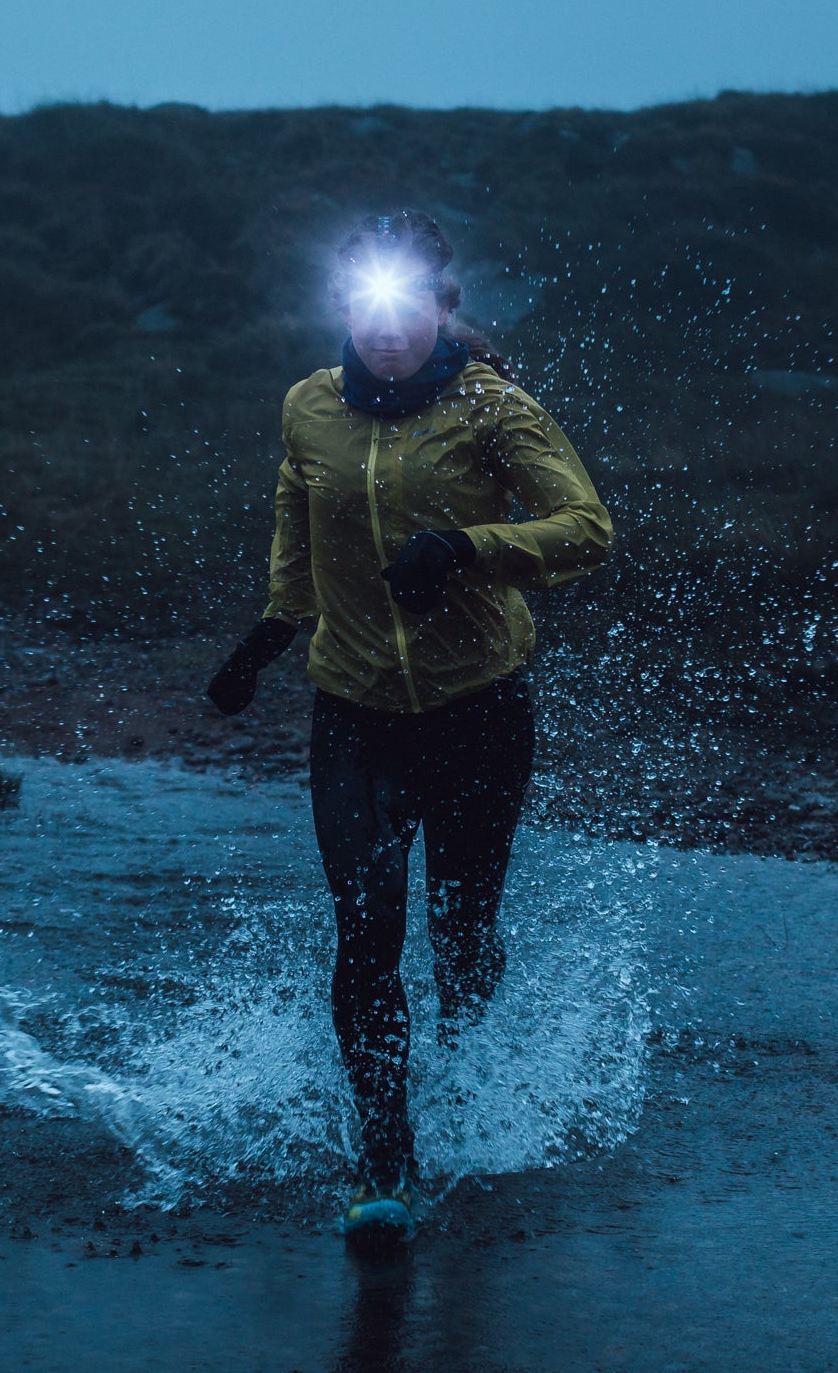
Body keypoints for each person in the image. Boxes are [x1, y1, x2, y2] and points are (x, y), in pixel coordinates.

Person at [203, 210, 613, 1244]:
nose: (387, 329)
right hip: (354, 710)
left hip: (480, 706)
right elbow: (298, 525)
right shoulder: (308, 406)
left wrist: (468, 547)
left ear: (442, 303)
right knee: (367, 929)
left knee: (462, 934)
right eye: (366, 307)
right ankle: (386, 1158)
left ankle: (474, 1091)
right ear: (342, 306)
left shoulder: (493, 405)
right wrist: (269, 633)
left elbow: (586, 530)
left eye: (408, 307)